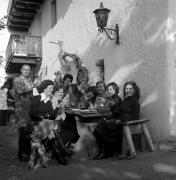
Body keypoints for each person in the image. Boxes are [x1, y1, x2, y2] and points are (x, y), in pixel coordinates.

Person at [28, 80, 71, 169]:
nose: (52, 90)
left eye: (52, 88)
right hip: (35, 124)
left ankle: (61, 153)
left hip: (44, 124)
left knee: (53, 130)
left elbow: (52, 114)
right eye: (50, 88)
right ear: (44, 89)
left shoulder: (49, 101)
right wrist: (42, 117)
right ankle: (63, 151)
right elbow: (32, 113)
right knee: (54, 126)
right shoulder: (37, 98)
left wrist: (60, 106)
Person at [94, 81, 140, 160]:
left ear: (134, 90)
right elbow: (118, 111)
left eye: (130, 89)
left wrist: (121, 120)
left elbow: (135, 117)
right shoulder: (125, 100)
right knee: (100, 126)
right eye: (126, 89)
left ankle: (106, 152)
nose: (128, 90)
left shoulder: (135, 101)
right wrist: (108, 118)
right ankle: (105, 152)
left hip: (126, 124)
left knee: (100, 127)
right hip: (119, 121)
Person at [93, 82, 122, 159]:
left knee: (98, 129)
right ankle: (104, 151)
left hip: (116, 121)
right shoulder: (111, 98)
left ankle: (104, 152)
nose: (108, 91)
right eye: (108, 89)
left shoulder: (116, 99)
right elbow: (108, 110)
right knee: (98, 127)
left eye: (110, 89)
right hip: (112, 119)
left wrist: (107, 118)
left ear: (115, 89)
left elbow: (113, 112)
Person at [12, 64, 34, 162]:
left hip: (28, 109)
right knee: (23, 131)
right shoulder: (17, 80)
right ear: (21, 70)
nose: (26, 71)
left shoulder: (29, 80)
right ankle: (22, 155)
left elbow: (31, 94)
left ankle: (28, 152)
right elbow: (20, 91)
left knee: (28, 131)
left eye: (28, 70)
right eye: (24, 69)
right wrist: (33, 85)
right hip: (21, 109)